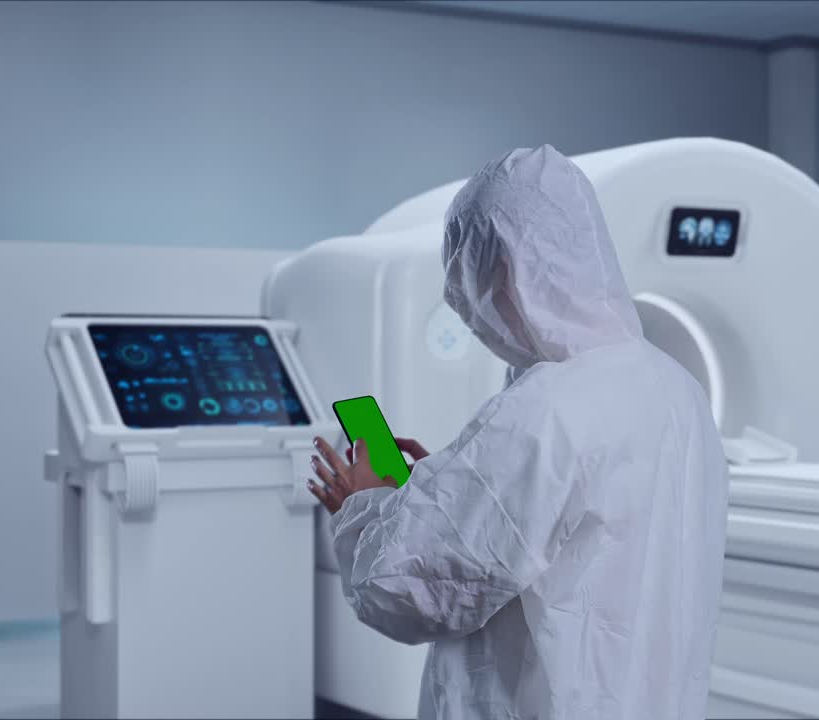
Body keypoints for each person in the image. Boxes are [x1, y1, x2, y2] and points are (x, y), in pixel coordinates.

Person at [306, 144, 729, 720]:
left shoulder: (546, 407)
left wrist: (362, 504)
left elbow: (406, 591)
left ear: (502, 264)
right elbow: (574, 525)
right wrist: (451, 488)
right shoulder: (675, 387)